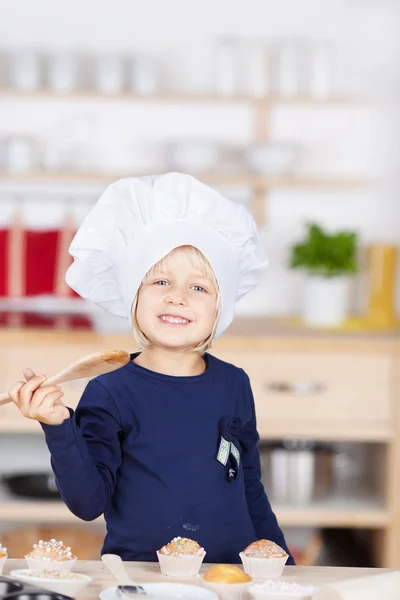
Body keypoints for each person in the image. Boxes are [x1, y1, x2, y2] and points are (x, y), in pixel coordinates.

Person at [8, 173, 294, 564]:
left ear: (219, 309)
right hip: (142, 576)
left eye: (198, 288)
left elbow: (249, 486)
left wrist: (284, 566)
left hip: (229, 576)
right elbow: (88, 502)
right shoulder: (109, 391)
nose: (176, 297)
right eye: (160, 281)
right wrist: (58, 425)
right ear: (134, 297)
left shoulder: (233, 383)